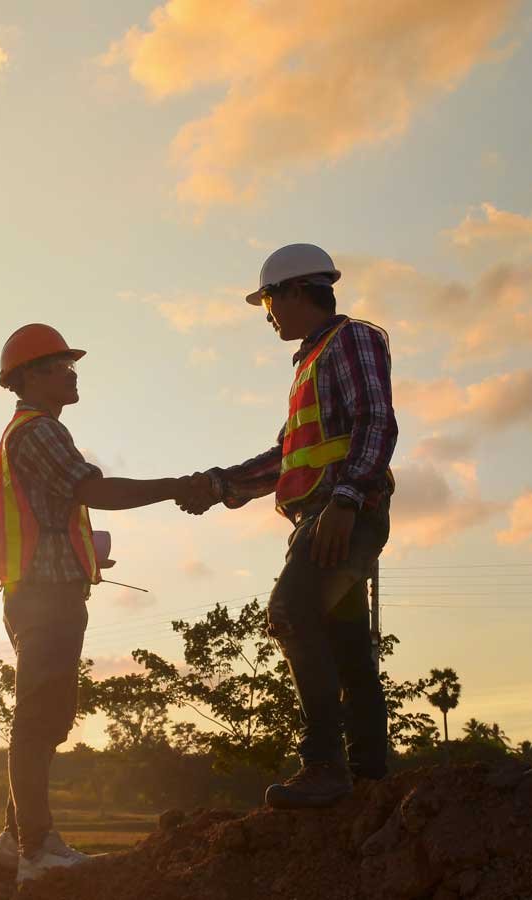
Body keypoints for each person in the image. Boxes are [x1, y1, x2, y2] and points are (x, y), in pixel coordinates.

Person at [0, 323, 206, 882]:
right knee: (38, 719)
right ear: (29, 376)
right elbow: (96, 491)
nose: (73, 372)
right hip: (44, 597)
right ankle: (36, 849)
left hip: (41, 592)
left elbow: (47, 517)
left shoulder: (31, 433)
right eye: (60, 365)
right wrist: (178, 485)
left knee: (49, 716)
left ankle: (15, 837)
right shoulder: (39, 433)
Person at [180, 244, 398, 810]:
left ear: (299, 291)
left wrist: (347, 501)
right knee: (346, 643)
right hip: (323, 515)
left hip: (339, 515)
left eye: (270, 300)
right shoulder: (311, 361)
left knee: (292, 613)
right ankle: (372, 775)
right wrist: (221, 484)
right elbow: (288, 455)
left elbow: (377, 421)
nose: (268, 312)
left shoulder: (352, 340)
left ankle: (324, 765)